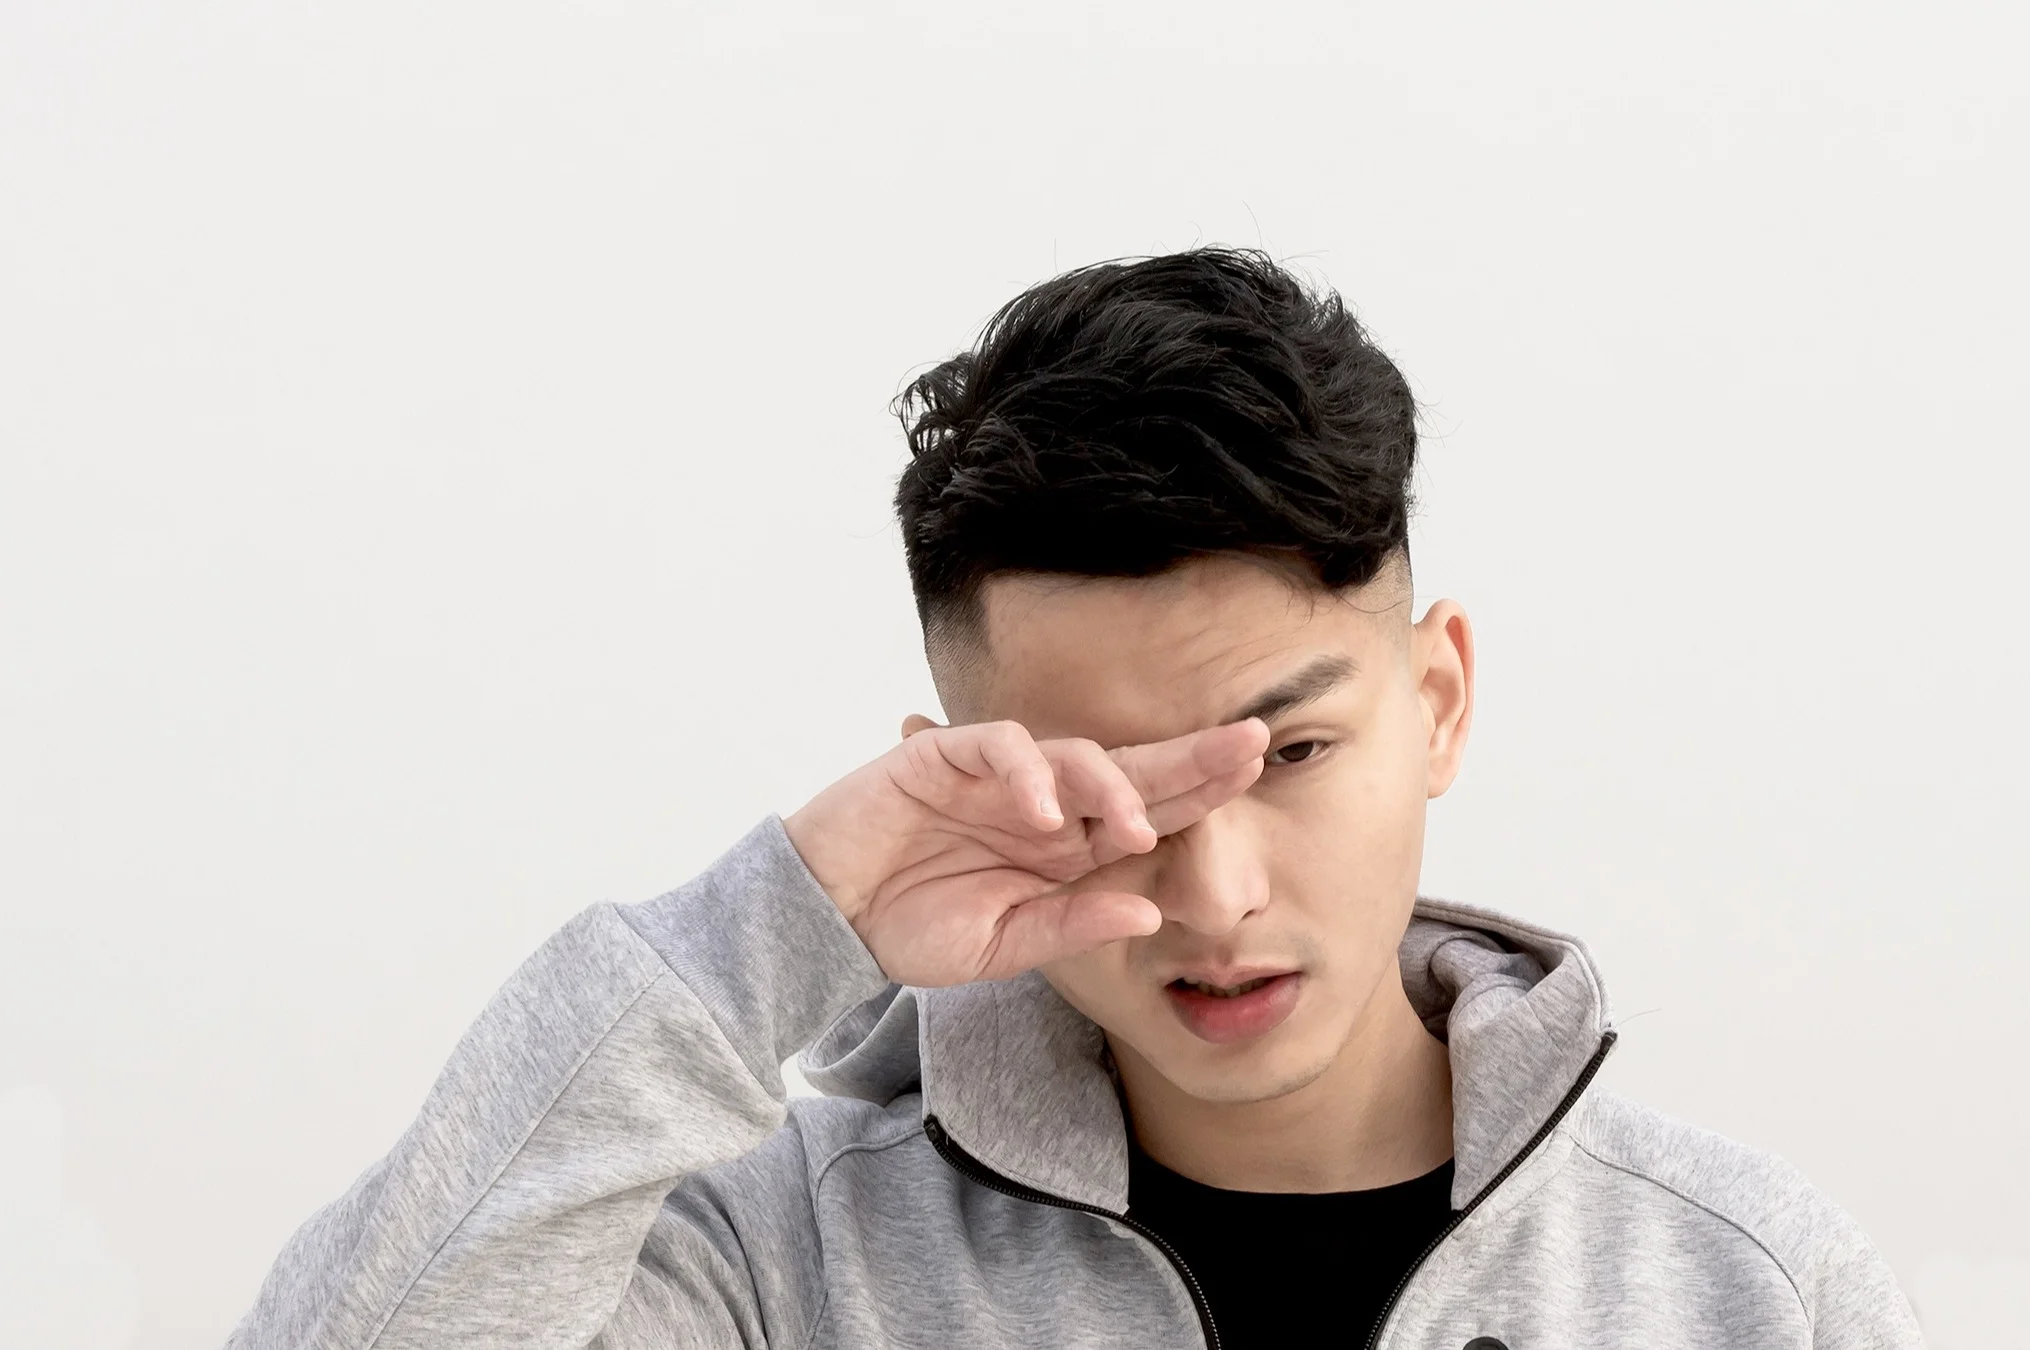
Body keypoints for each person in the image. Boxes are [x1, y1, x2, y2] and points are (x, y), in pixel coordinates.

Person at [227, 249, 1923, 1349]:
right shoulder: (790, 1265)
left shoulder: (1744, 1289)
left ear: (1437, 701)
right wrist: (777, 925)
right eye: (1105, 795)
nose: (1214, 892)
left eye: (1293, 755)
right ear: (953, 779)